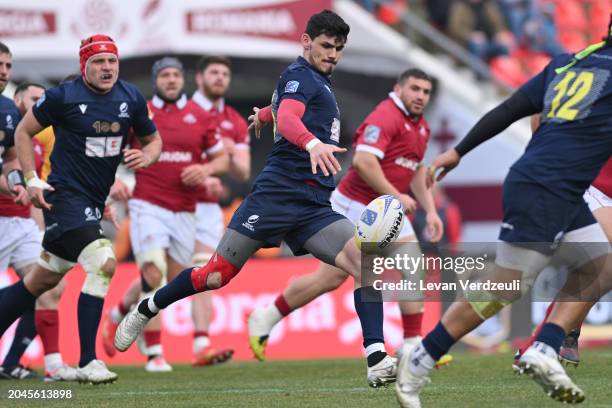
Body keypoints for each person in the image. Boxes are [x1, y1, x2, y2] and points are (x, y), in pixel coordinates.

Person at [116, 9, 397, 386]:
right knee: (214, 276)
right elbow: (295, 117)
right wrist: (312, 143)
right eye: (326, 46)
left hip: (313, 206)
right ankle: (148, 307)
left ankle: (376, 356)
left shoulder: (310, 80)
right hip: (273, 199)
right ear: (306, 42)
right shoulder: (301, 76)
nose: (332, 53)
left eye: (338, 49)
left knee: (363, 263)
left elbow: (286, 107)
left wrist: (265, 114)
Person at [396, 22, 612, 406]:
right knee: (505, 287)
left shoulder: (567, 64)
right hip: (545, 188)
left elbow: (511, 108)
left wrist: (459, 151)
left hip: (551, 185)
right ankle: (421, 357)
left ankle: (545, 347)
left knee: (602, 264)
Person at [247, 68, 453, 376]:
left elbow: (417, 171)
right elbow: (363, 162)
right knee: (328, 279)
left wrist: (431, 210)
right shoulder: (386, 116)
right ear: (398, 89)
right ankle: (267, 316)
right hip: (356, 206)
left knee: (413, 265)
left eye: (425, 91)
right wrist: (397, 194)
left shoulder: (420, 126)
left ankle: (412, 346)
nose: (420, 96)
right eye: (415, 89)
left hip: (386, 208)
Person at [0, 34, 161, 385]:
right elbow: (23, 133)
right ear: (84, 66)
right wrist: (31, 179)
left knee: (40, 282)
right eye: (99, 62)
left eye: (112, 61)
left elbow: (153, 140)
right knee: (103, 261)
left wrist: (147, 155)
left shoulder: (130, 96)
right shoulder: (62, 96)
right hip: (64, 199)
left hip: (92, 202)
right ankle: (88, 360)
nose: (107, 68)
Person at [101, 57, 228, 372]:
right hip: (147, 203)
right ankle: (154, 353)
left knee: (169, 282)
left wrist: (206, 169)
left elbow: (222, 159)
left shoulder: (200, 115)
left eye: (175, 74)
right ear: (156, 79)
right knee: (153, 272)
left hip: (186, 211)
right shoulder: (140, 112)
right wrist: (114, 179)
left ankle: (118, 314)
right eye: (165, 75)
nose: (171, 80)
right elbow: (110, 150)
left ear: (183, 79)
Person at [0, 81, 77, 382]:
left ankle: (44, 364)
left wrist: (39, 225)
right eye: (33, 99)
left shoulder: (45, 136)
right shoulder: (10, 124)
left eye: (42, 100)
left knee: (49, 285)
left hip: (21, 224)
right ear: (17, 100)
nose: (39, 105)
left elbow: (38, 188)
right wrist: (12, 187)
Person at [190, 55, 250, 366]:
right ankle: (121, 314)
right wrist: (205, 170)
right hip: (170, 203)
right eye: (213, 72)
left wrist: (227, 155)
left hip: (207, 208)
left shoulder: (235, 122)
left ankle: (201, 344)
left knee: (205, 271)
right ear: (199, 78)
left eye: (225, 73)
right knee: (158, 276)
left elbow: (243, 171)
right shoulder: (183, 111)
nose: (219, 78)